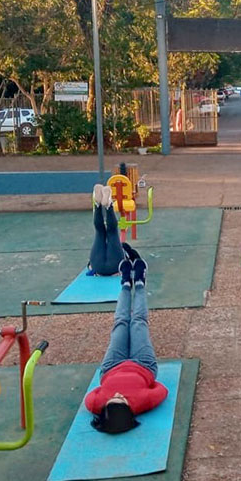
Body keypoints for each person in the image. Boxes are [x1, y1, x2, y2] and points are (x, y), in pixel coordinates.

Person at [85, 246, 166, 433]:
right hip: (143, 365)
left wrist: (110, 387)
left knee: (121, 323)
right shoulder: (143, 403)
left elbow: (92, 395)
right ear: (130, 409)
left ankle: (125, 284)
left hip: (111, 366)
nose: (119, 394)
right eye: (123, 399)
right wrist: (146, 380)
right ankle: (138, 283)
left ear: (104, 407)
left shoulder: (95, 404)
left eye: (114, 398)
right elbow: (161, 389)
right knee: (138, 322)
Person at [89, 184, 126, 276]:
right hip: (98, 267)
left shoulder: (127, 250)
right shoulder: (129, 250)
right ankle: (97, 205)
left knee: (112, 232)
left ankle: (108, 205)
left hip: (114, 266)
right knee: (100, 231)